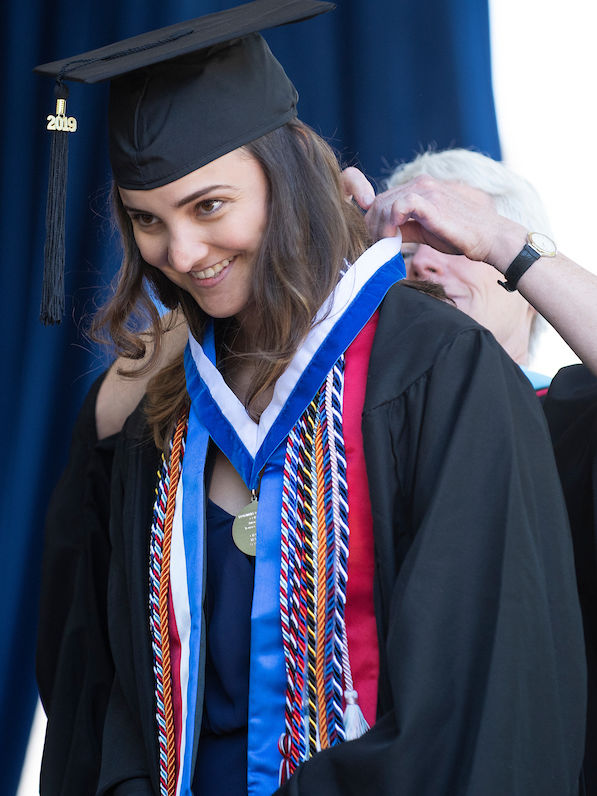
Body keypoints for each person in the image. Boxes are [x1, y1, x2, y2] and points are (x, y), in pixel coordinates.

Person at [36, 3, 586, 795]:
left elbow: (475, 699)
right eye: (147, 220)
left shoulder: (437, 374)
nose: (182, 253)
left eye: (210, 205)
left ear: (284, 176)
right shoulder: (165, 417)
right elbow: (108, 691)